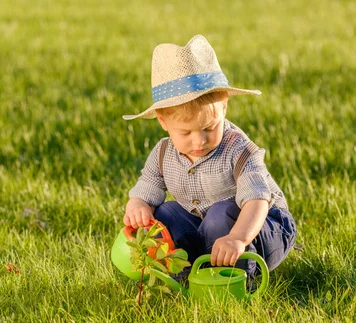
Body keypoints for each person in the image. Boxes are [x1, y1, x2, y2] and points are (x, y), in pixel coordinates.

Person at [122, 34, 297, 279]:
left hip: (261, 228)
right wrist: (138, 207)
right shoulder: (163, 153)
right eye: (186, 132)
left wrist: (237, 238)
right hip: (206, 229)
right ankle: (184, 274)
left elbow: (257, 202)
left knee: (219, 214)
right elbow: (144, 191)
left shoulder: (239, 150)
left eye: (209, 128)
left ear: (224, 107)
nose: (199, 140)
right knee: (163, 214)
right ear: (163, 121)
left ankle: (237, 279)